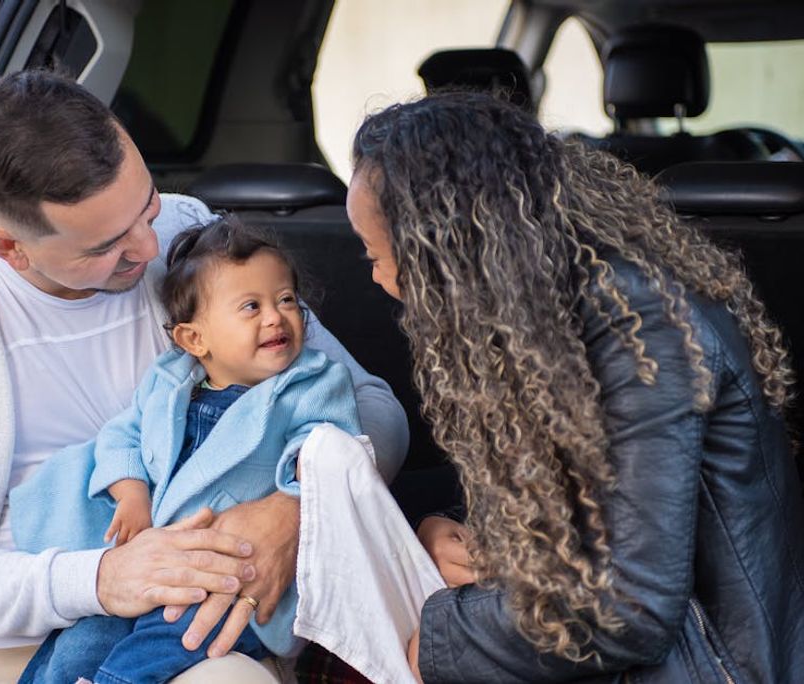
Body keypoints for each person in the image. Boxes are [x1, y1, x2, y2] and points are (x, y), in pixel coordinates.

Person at [0, 70, 408, 684]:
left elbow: (368, 405)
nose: (148, 249)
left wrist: (296, 513)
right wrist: (100, 578)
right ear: (11, 247)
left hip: (185, 619)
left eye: (147, 203)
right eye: (106, 247)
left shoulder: (190, 243)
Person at [345, 91, 804, 683]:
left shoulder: (642, 329)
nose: (378, 278)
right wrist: (456, 527)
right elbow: (563, 494)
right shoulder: (538, 315)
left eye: (378, 256)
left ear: (448, 251)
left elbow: (629, 608)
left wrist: (441, 640)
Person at [9, 216, 362, 683]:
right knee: (78, 639)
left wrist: (295, 494)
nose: (276, 317)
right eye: (251, 307)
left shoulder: (311, 383)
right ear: (195, 339)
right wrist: (132, 493)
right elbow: (122, 437)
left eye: (286, 300)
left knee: (171, 638)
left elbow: (329, 451)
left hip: (224, 578)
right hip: (148, 565)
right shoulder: (169, 381)